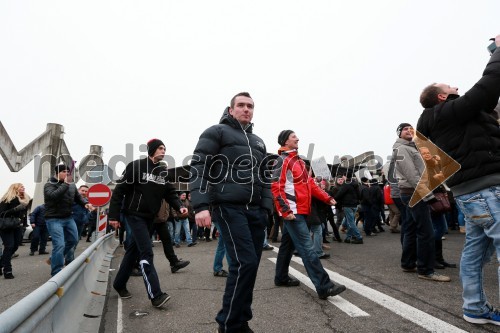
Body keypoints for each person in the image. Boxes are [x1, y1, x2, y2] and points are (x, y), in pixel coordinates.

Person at [416, 35, 500, 326]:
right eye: (451, 87)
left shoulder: (456, 116)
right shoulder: (443, 113)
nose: (457, 88)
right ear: (441, 97)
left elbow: (487, 97)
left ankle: (475, 308)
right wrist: (498, 52)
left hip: (472, 191)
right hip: (485, 189)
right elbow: (486, 88)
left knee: (477, 250)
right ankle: (475, 307)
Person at [189, 92, 273, 333]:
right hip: (228, 206)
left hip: (255, 211)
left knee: (252, 265)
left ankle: (241, 319)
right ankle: (229, 324)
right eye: (241, 105)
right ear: (231, 109)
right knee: (243, 262)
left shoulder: (258, 141)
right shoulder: (216, 132)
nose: (246, 109)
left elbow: (265, 177)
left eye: (250, 106)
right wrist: (201, 205)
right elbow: (199, 167)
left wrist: (266, 209)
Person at [108, 138, 187, 308]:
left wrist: (180, 206)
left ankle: (119, 284)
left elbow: (170, 193)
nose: (163, 151)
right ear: (151, 150)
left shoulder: (162, 173)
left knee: (132, 252)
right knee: (146, 253)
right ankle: (156, 295)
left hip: (150, 218)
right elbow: (119, 191)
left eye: (165, 148)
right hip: (134, 216)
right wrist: (113, 216)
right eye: (160, 148)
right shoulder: (136, 166)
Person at [272, 130, 346, 300]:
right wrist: (286, 210)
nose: (297, 138)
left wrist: (327, 198)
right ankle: (324, 286)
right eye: (293, 137)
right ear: (285, 141)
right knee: (307, 248)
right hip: (293, 212)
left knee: (287, 246)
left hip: (300, 211)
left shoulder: (298, 162)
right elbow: (276, 186)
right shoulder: (282, 161)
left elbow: (311, 185)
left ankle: (281, 277)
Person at [391, 123, 450, 282]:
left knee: (410, 228)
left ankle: (408, 263)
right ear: (399, 133)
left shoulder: (412, 147)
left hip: (412, 192)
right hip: (414, 193)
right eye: (405, 129)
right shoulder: (402, 148)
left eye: (411, 129)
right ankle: (426, 270)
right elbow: (412, 175)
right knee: (426, 232)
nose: (409, 131)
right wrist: (428, 195)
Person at [44, 164, 93, 276]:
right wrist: (65, 184)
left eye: (68, 172)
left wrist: (86, 203)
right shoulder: (49, 185)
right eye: (64, 171)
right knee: (60, 244)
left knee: (73, 240)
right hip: (54, 218)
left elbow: (78, 197)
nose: (67, 174)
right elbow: (54, 196)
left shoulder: (72, 185)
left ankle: (53, 258)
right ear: (57, 173)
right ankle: (56, 272)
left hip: (68, 218)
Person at [0, 183, 31, 279]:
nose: (23, 188)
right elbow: (1, 214)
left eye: (23, 186)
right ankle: (7, 270)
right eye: (21, 187)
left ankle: (1, 263)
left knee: (15, 246)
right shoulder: (6, 199)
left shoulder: (24, 201)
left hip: (18, 226)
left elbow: (23, 215)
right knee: (9, 246)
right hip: (7, 226)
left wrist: (24, 224)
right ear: (15, 188)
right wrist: (15, 209)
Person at [152, 199, 190, 273]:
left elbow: (171, 197)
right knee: (140, 242)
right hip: (150, 218)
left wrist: (180, 207)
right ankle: (134, 264)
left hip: (160, 220)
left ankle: (174, 263)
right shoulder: (155, 187)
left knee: (167, 240)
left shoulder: (165, 189)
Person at [333, 175, 363, 244]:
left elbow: (339, 194)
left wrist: (333, 199)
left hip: (347, 205)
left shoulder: (346, 185)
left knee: (350, 222)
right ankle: (348, 237)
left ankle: (359, 237)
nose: (342, 179)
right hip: (354, 205)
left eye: (343, 177)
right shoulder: (355, 184)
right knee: (349, 221)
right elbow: (359, 195)